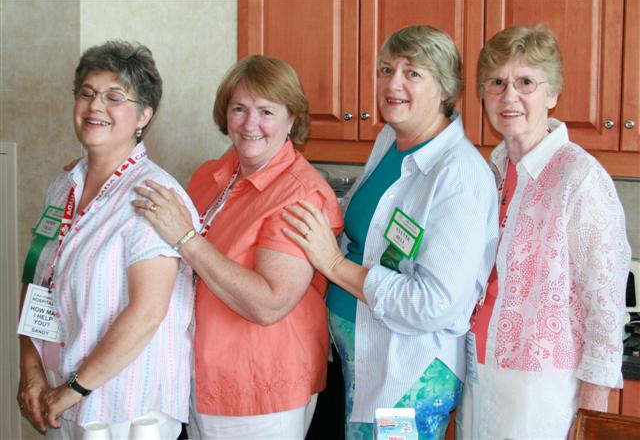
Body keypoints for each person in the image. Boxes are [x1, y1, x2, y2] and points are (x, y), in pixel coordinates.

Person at [281, 25, 498, 439]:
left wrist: (332, 264)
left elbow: (433, 304)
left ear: (445, 89)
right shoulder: (389, 141)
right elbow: (372, 234)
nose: (393, 83)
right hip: (361, 360)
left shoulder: (460, 175)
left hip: (407, 379)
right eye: (386, 69)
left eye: (413, 73)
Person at [132, 55, 343, 439]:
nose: (250, 124)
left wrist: (187, 239)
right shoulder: (211, 175)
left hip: (258, 390)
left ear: (292, 119)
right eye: (239, 109)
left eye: (266, 111)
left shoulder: (300, 195)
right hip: (199, 376)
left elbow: (269, 303)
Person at [457, 24, 631, 439]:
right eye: (496, 83)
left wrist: (591, 416)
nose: (509, 96)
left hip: (540, 390)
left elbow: (605, 310)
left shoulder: (580, 177)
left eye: (525, 82)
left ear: (552, 95)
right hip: (474, 370)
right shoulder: (490, 170)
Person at [16, 41, 197, 439]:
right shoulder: (63, 186)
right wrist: (29, 368)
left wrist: (74, 388)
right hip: (60, 393)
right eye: (87, 94)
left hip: (126, 407)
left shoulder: (153, 196)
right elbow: (38, 281)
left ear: (144, 115)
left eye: (114, 97)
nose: (96, 107)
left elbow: (148, 313)